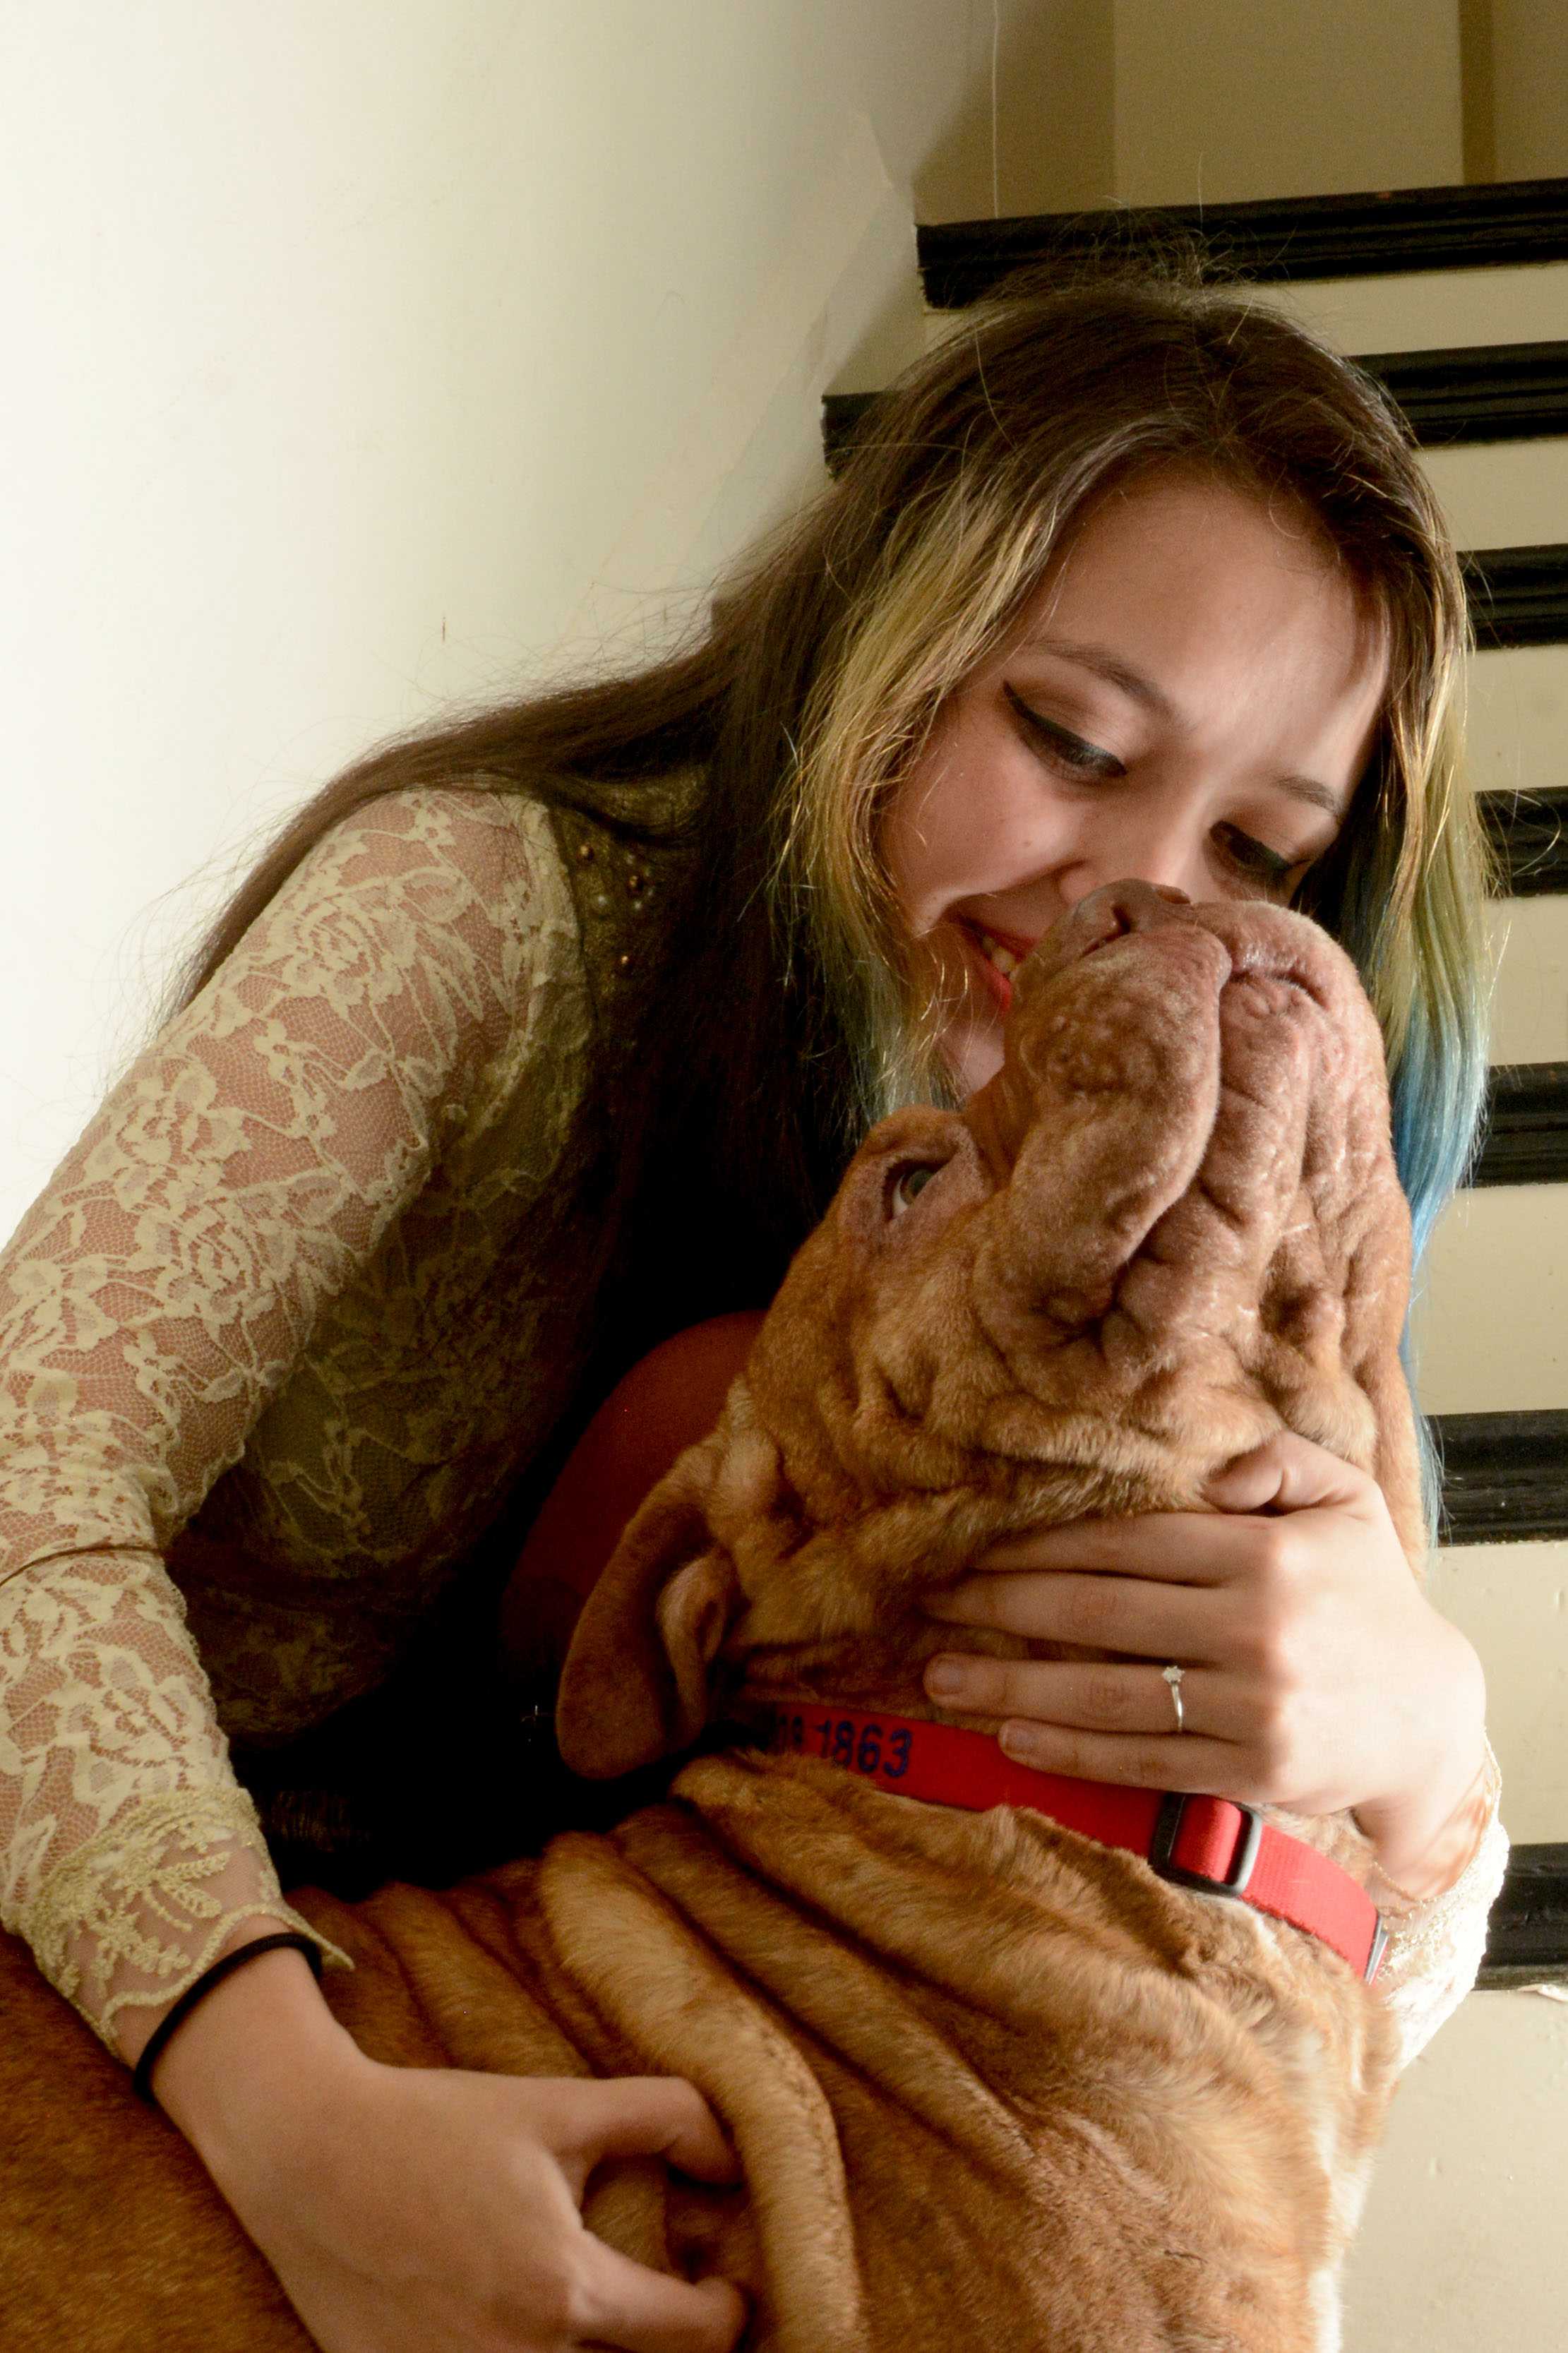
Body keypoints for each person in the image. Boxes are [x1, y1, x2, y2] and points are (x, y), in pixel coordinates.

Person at [0, 251, 1508, 2353]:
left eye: (1260, 847)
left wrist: (1433, 1768)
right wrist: (291, 2115)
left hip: (605, 2066)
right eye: (1071, 738)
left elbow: (1217, 1989)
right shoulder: (481, 916)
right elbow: (18, 1492)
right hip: (140, 2029)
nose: (1137, 894)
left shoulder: (1178, 1251)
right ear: (891, 643)